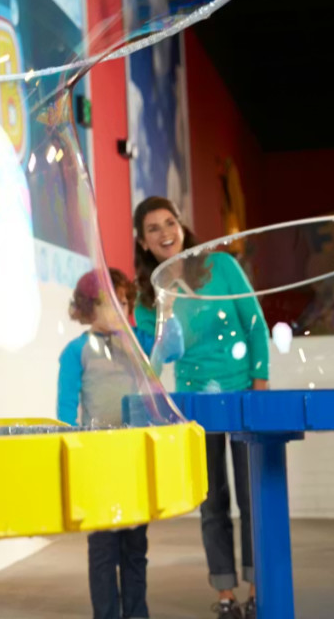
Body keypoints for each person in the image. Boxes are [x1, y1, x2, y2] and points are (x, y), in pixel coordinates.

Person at [132, 197, 268, 619]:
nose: (164, 233)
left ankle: (257, 588)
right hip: (194, 403)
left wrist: (260, 386)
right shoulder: (146, 298)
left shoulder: (221, 267)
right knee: (212, 503)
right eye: (153, 228)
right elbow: (154, 364)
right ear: (142, 242)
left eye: (169, 222)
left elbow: (255, 324)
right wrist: (164, 311)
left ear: (182, 226)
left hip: (243, 395)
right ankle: (225, 593)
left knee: (251, 498)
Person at [57, 268, 150, 619]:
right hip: (98, 463)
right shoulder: (76, 351)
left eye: (123, 303)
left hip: (133, 459)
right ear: (87, 308)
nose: (118, 310)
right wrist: (73, 456)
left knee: (136, 547)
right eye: (108, 303)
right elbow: (65, 411)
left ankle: (138, 614)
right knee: (102, 550)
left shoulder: (136, 342)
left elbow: (166, 353)